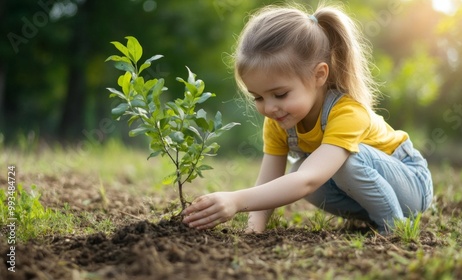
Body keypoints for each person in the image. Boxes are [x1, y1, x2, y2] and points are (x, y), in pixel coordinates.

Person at [182, 3, 433, 234]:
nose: (269, 108)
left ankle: (395, 228)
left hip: (410, 186)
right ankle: (371, 219)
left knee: (333, 165)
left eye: (280, 94)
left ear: (319, 75)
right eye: (257, 97)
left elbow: (307, 181)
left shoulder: (347, 112)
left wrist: (236, 200)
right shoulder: (279, 122)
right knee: (299, 168)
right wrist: (253, 231)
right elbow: (270, 180)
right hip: (371, 191)